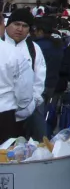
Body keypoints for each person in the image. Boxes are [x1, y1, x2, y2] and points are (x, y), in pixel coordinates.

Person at [3, 8, 46, 141]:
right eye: (16, 24)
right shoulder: (2, 46)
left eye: (25, 26)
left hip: (27, 114)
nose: (20, 29)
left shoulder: (34, 49)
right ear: (7, 24)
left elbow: (39, 80)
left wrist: (31, 105)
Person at [0, 14, 35, 142]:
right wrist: (22, 107)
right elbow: (24, 89)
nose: (19, 29)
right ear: (3, 25)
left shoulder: (29, 49)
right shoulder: (12, 53)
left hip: (7, 111)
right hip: (5, 113)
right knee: (5, 156)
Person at [32, 19, 64, 139]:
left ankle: (41, 138)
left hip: (40, 85)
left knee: (38, 115)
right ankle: (49, 135)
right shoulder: (58, 45)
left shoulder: (37, 46)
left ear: (40, 31)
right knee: (50, 111)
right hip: (54, 84)